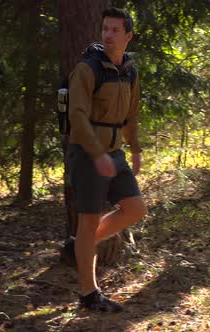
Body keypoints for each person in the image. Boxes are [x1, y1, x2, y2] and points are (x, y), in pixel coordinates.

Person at [61, 7, 147, 313]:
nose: (108, 35)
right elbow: (77, 118)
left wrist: (134, 149)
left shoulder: (130, 72)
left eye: (115, 30)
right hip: (87, 153)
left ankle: (79, 246)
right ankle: (88, 293)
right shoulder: (87, 70)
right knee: (89, 221)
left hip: (115, 154)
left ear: (128, 36)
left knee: (135, 209)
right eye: (105, 29)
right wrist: (97, 154)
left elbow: (131, 116)